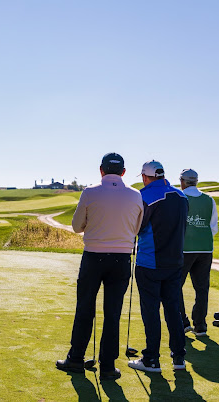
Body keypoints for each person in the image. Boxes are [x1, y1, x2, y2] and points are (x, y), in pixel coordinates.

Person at [56, 153, 143, 380]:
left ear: (101, 170)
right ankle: (107, 366)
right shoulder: (136, 196)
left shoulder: (89, 192)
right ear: (123, 172)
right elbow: (136, 229)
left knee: (85, 307)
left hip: (93, 257)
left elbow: (76, 227)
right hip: (122, 259)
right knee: (113, 313)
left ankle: (75, 359)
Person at [128, 160, 188, 373]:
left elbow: (136, 227)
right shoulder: (182, 196)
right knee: (173, 309)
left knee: (151, 311)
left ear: (145, 177)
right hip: (175, 263)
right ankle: (179, 357)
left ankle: (151, 358)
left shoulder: (144, 197)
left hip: (150, 263)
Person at [178, 169, 218, 337]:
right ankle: (200, 325)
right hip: (205, 250)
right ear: (196, 181)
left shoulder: (180, 198)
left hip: (184, 249)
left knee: (174, 286)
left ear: (182, 181)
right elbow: (213, 228)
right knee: (202, 289)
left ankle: (183, 322)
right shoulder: (209, 200)